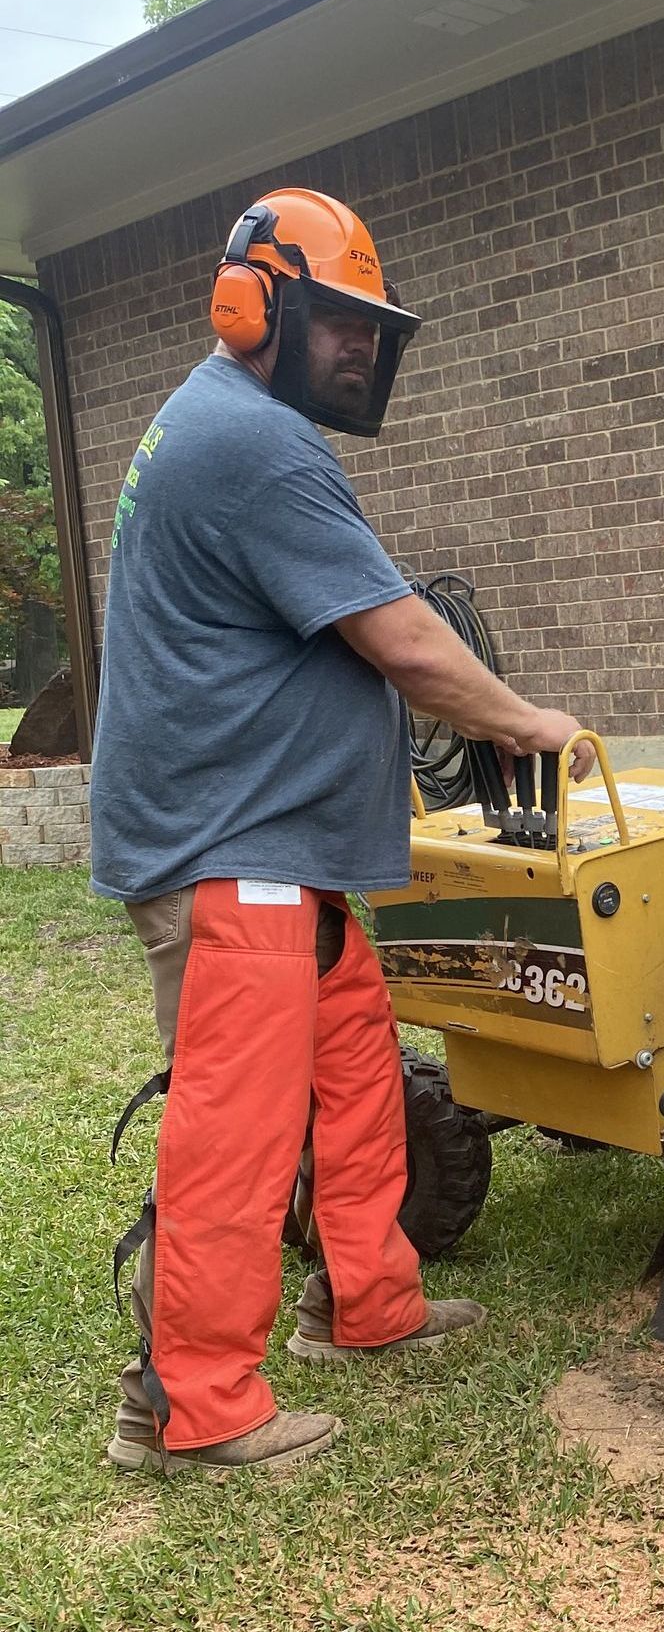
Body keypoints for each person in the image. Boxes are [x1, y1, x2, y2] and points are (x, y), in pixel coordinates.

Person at [89, 187, 590, 1476]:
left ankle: (368, 1304)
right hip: (229, 856)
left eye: (377, 330)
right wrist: (526, 721)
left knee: (357, 1070)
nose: (362, 350)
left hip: (282, 861)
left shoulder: (234, 430)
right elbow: (402, 638)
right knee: (238, 1130)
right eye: (340, 322)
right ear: (252, 303)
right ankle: (192, 1407)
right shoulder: (250, 441)